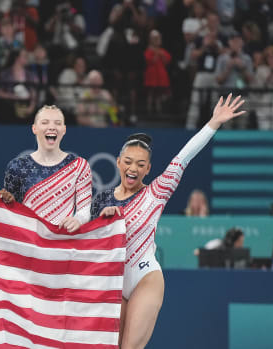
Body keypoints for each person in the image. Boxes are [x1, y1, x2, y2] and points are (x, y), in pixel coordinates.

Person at [92, 93, 246, 349]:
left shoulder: (156, 192)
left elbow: (183, 158)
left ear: (148, 168)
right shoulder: (100, 201)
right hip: (112, 280)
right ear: (118, 162)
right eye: (128, 162)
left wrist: (214, 123)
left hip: (145, 277)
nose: (133, 168)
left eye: (140, 164)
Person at [4, 105, 92, 232]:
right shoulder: (17, 166)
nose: (51, 127)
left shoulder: (79, 165)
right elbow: (10, 212)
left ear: (64, 129)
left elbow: (84, 210)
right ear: (34, 128)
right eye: (45, 122)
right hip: (29, 243)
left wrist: (78, 219)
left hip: (62, 243)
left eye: (58, 123)